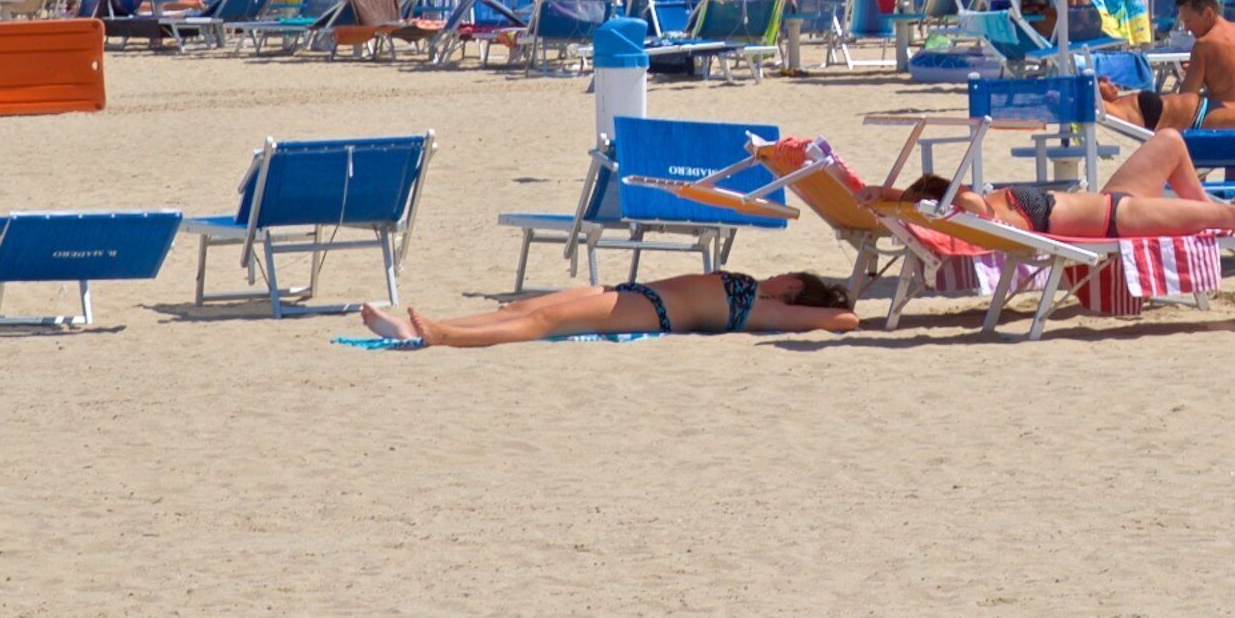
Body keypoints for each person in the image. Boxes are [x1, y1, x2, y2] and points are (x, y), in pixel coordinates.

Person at [874, 125, 1235, 240]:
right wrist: (905, 201)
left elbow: (933, 205)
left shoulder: (979, 206)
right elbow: (957, 209)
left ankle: (1209, 223)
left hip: (1113, 200)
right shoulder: (977, 213)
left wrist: (887, 196)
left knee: (1170, 140)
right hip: (1119, 218)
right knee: (1231, 213)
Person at [353, 270, 858, 347]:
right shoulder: (755, 291)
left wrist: (821, 307)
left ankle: (446, 337)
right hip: (629, 292)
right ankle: (418, 330)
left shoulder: (766, 311)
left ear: (795, 290)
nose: (781, 274)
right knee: (523, 306)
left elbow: (846, 320)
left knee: (541, 323)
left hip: (651, 313)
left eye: (790, 277)